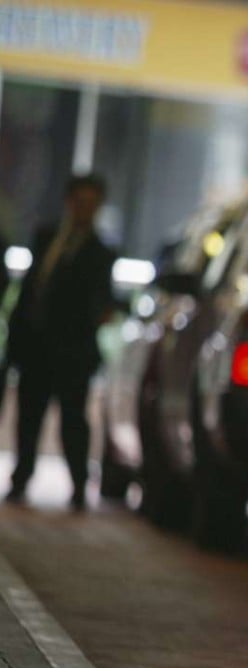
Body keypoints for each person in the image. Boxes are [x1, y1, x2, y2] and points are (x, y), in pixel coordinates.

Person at [6, 174, 117, 510]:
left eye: (90, 204)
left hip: (72, 350)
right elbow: (30, 290)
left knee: (73, 420)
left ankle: (79, 484)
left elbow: (100, 302)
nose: (84, 209)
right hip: (36, 345)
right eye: (79, 202)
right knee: (29, 417)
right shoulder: (46, 238)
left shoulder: (100, 252)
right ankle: (21, 477)